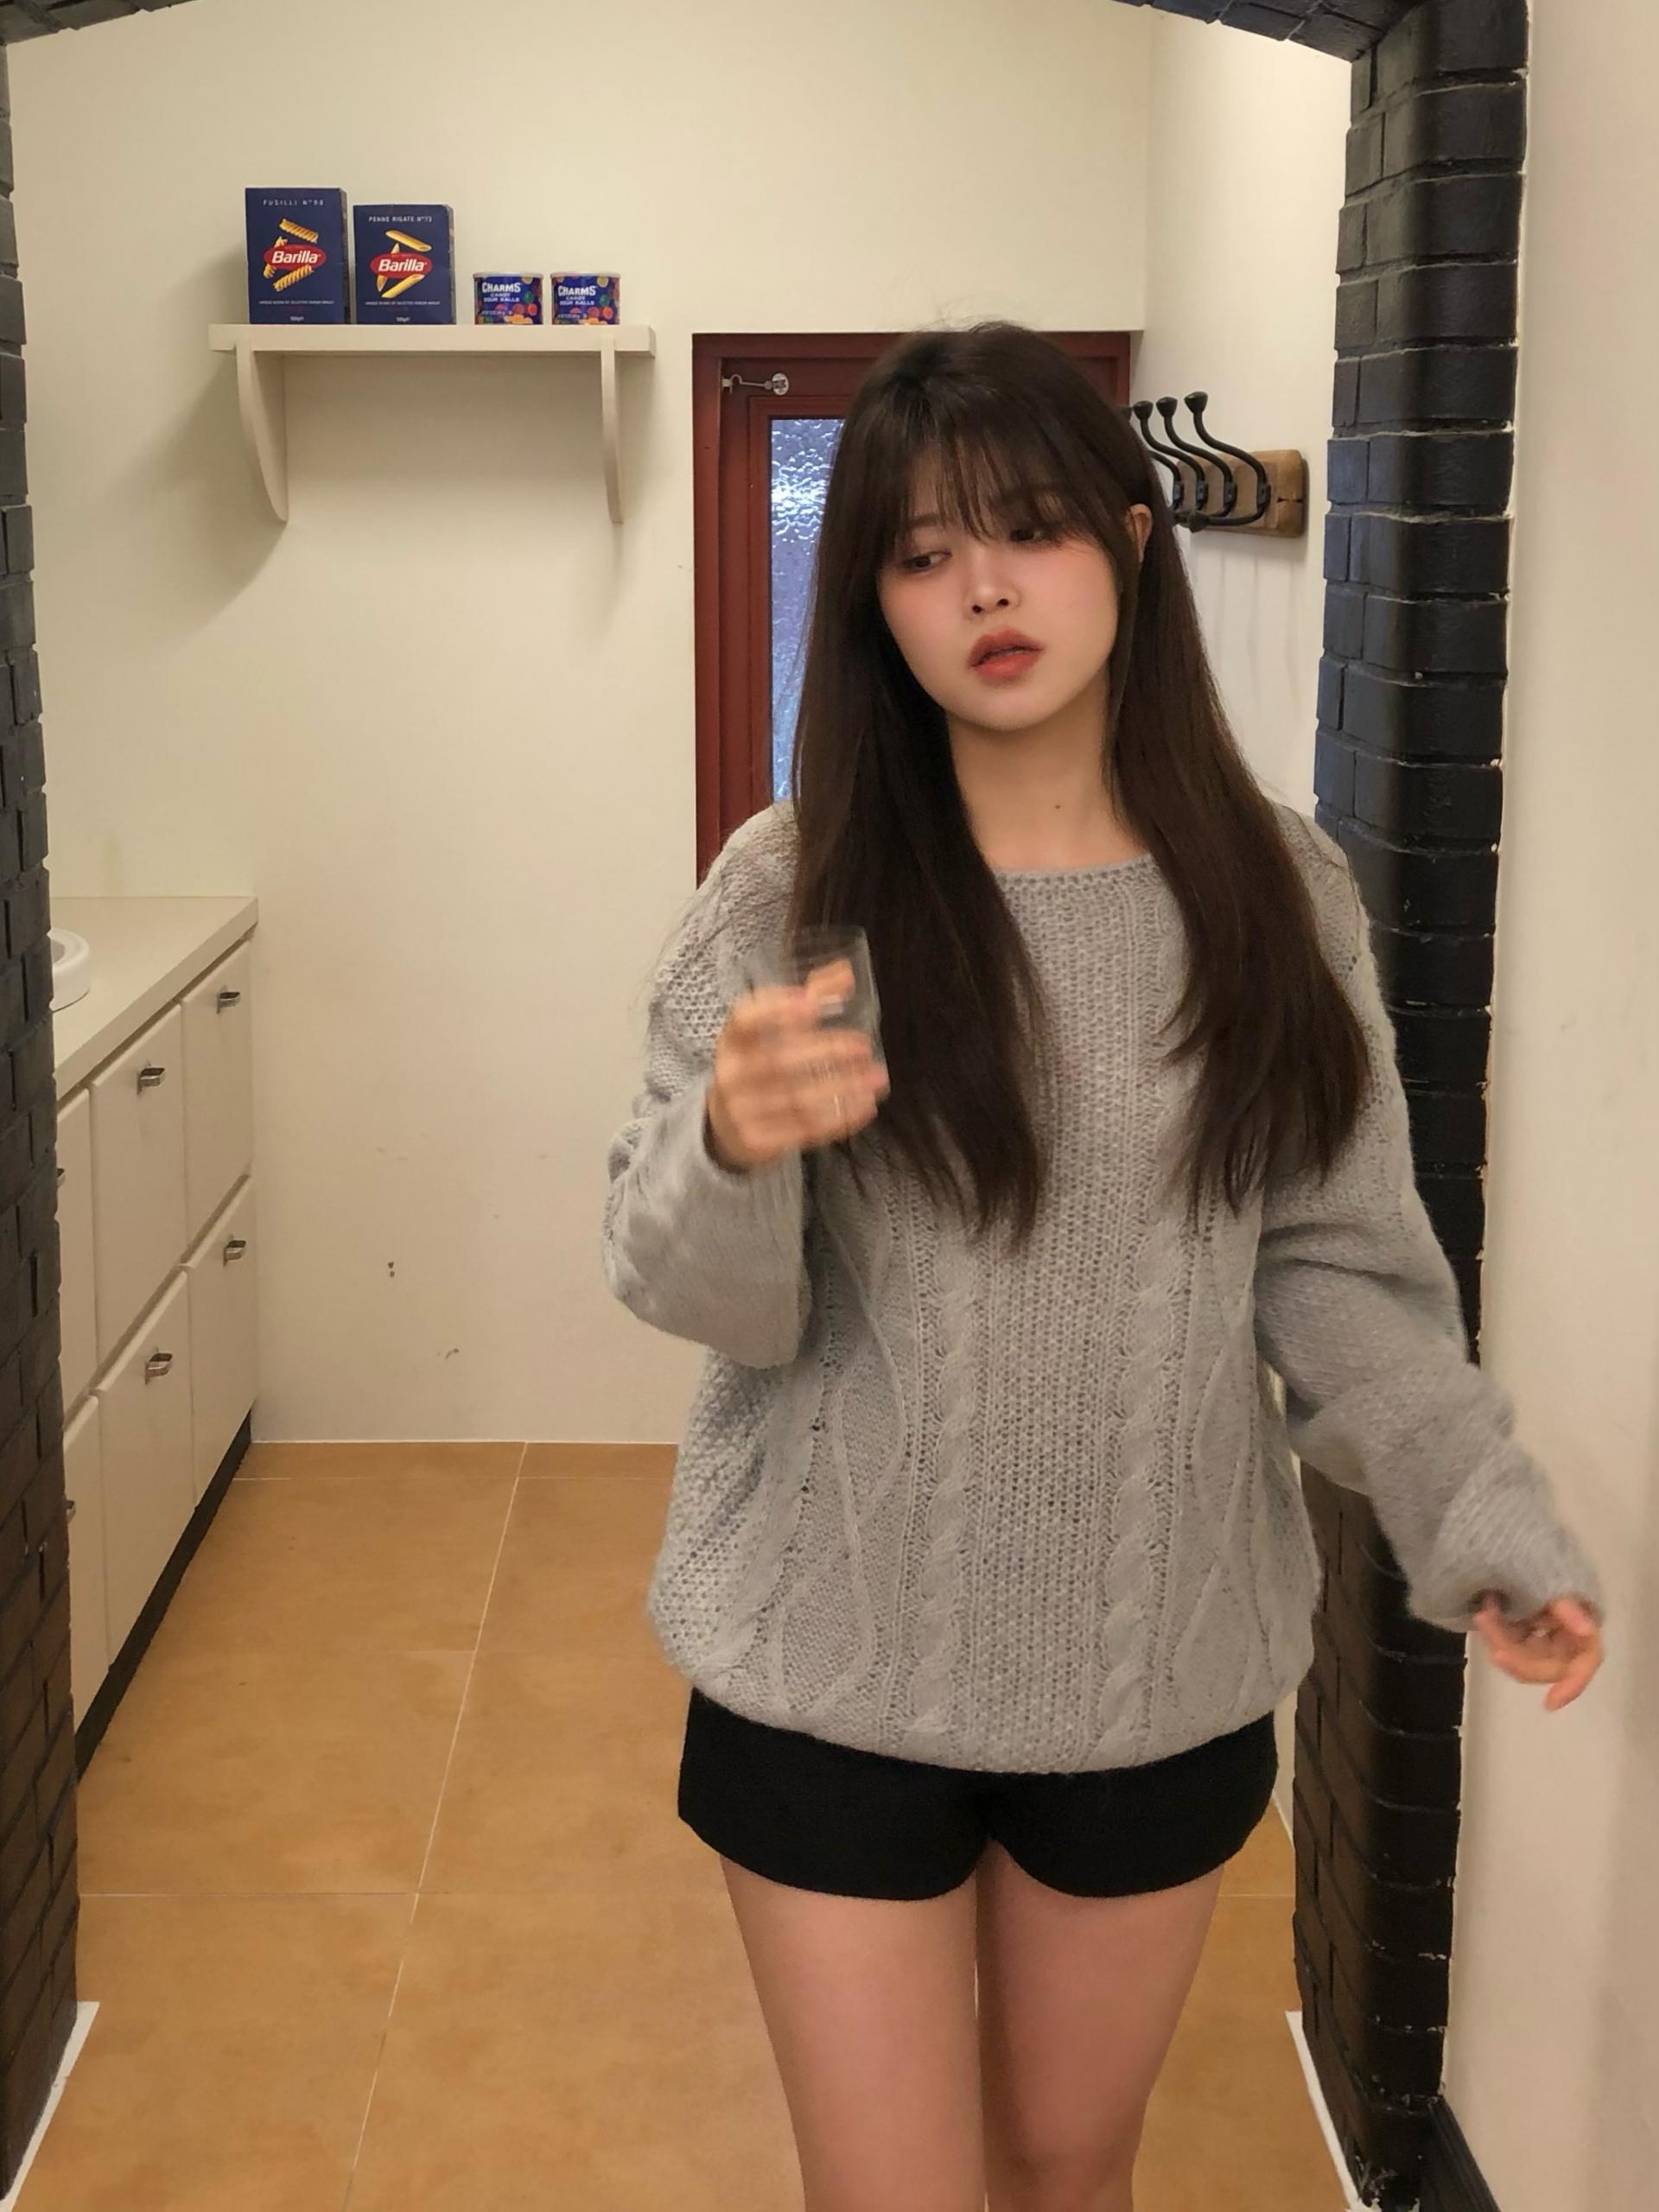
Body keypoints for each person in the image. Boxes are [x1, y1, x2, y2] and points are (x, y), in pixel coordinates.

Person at [600, 320, 1605, 2212]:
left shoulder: (1275, 893)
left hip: (1154, 1664)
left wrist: (1475, 1504)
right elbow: (702, 1298)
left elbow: (1339, 1270)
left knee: (1072, 2170)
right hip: (825, 1660)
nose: (983, 587)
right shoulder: (793, 892)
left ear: (1135, 544)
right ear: (875, 607)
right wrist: (729, 1144)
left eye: (1032, 528)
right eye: (921, 553)